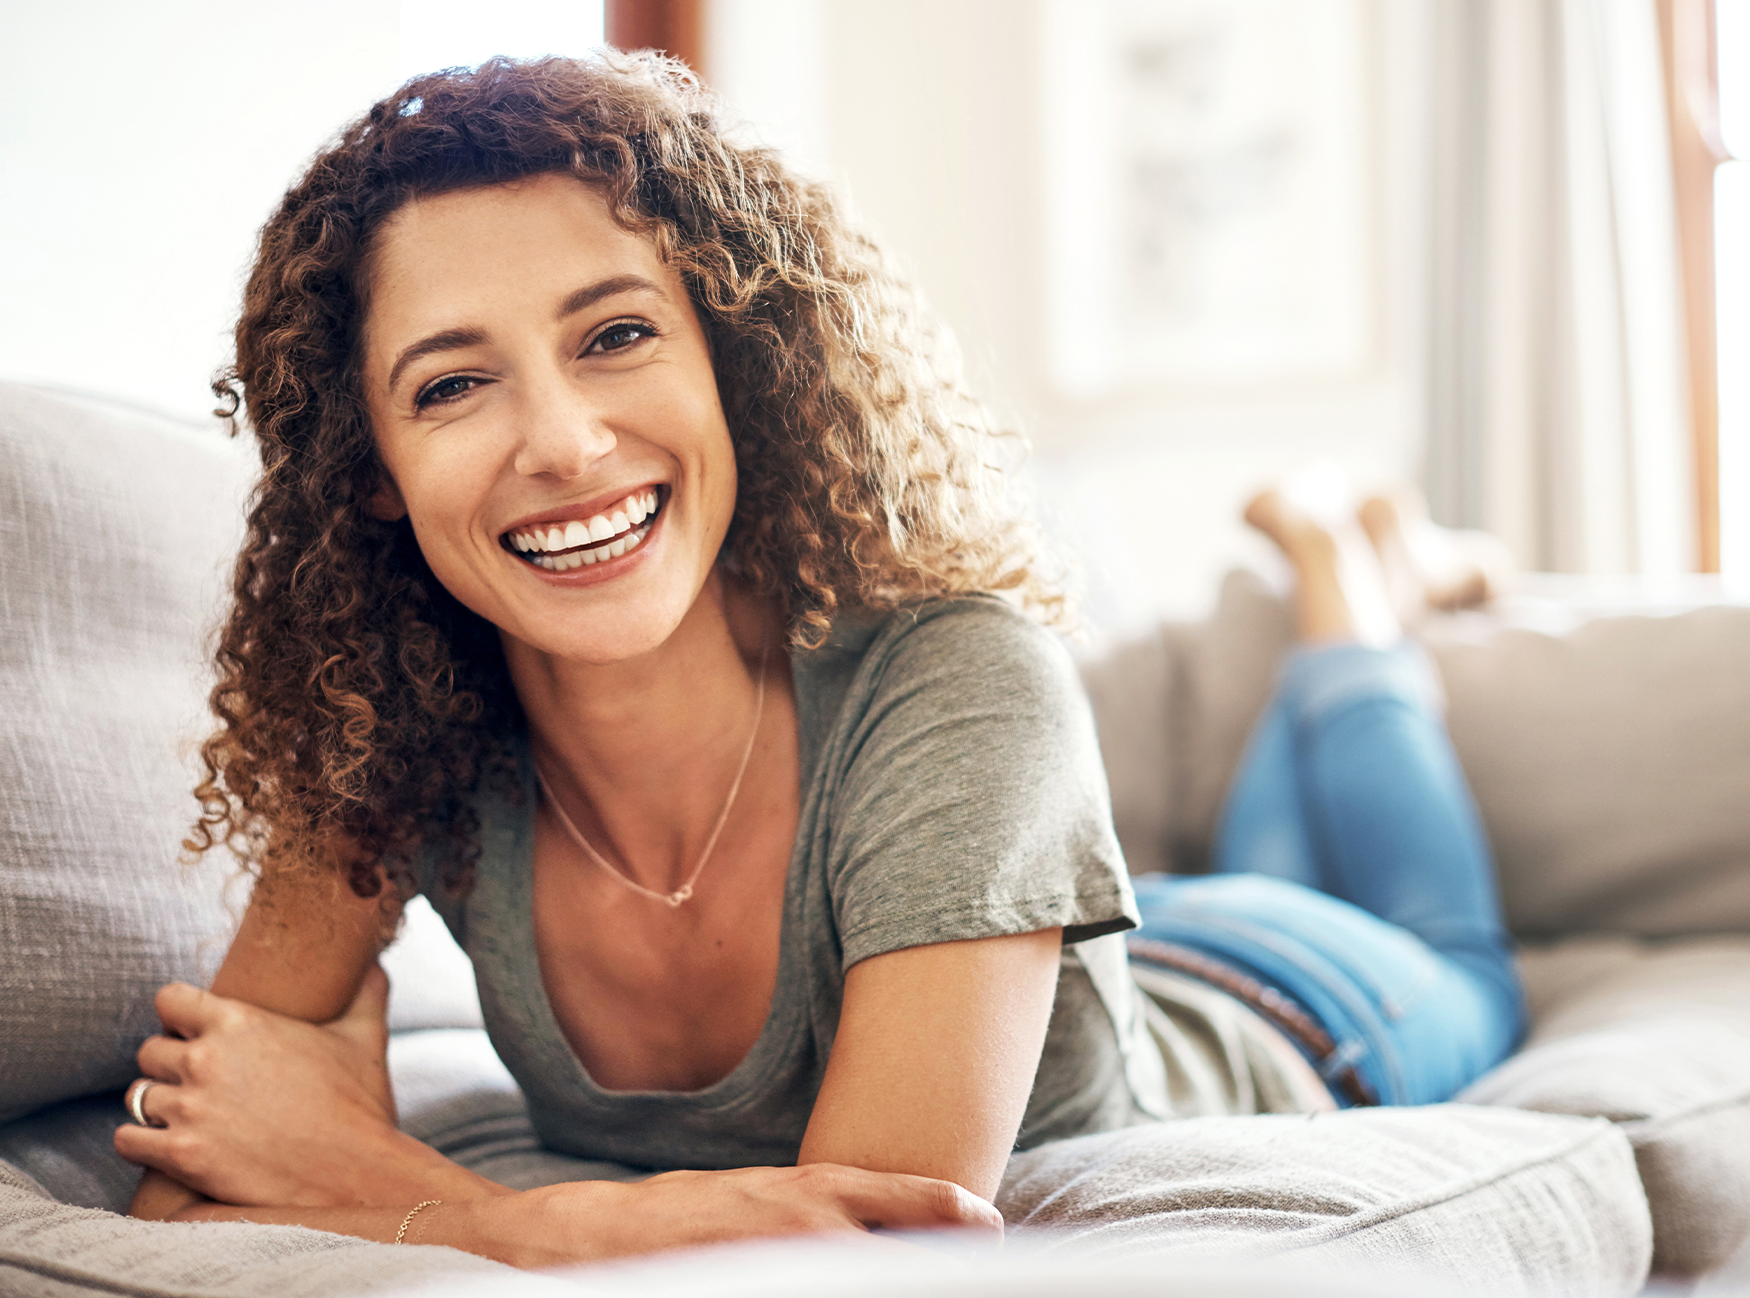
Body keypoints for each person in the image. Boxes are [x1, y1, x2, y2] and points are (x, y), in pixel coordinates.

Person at [111, 54, 1522, 1266]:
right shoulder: (386, 733)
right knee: (1254, 843)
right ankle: (1353, 582)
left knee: (1450, 936)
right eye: (453, 383)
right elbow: (182, 1183)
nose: (562, 442)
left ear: (736, 361)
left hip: (1298, 1006)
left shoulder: (958, 670)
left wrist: (435, 1197)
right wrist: (353, 1161)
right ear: (373, 470)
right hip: (1085, 932)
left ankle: (1348, 581)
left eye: (615, 334)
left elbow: (879, 1252)